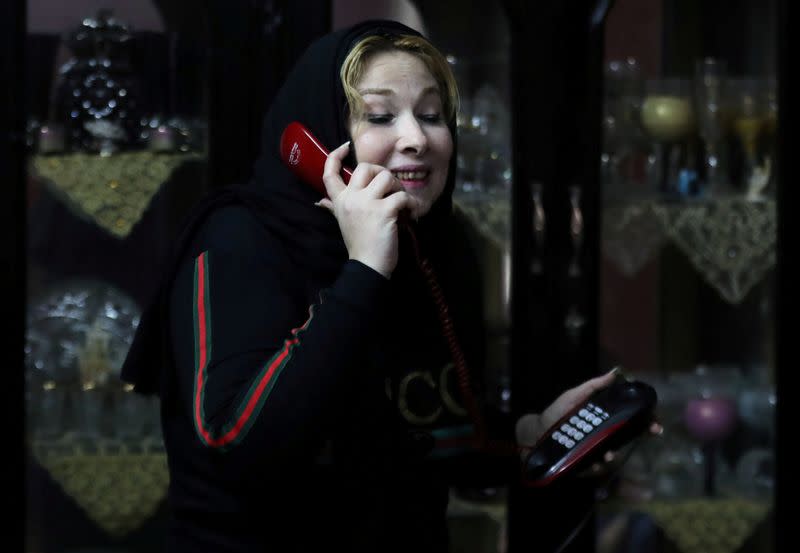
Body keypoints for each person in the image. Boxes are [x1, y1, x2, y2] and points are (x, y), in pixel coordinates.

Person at [121, 19, 659, 553]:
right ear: (313, 141)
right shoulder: (239, 240)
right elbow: (238, 447)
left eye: (432, 115)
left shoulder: (439, 246)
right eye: (380, 116)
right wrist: (364, 270)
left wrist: (530, 433)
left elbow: (416, 435)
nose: (417, 139)